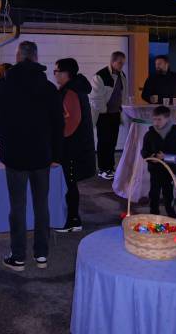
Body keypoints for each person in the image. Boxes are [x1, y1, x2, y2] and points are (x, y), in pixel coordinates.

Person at [0, 41, 64, 272]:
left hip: (14, 153)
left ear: (18, 57)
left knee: (17, 206)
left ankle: (18, 257)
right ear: (36, 58)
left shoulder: (2, 85)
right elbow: (58, 123)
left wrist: (2, 136)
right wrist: (56, 153)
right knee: (41, 205)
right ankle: (41, 255)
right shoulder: (48, 88)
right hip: (42, 154)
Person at [52, 58, 96, 233]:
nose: (54, 74)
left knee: (69, 183)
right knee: (70, 183)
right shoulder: (74, 89)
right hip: (76, 145)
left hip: (71, 148)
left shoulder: (70, 93)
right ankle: (71, 218)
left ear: (65, 73)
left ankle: (73, 220)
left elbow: (71, 123)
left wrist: (57, 139)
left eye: (56, 71)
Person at [140, 106, 176, 218]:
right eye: (154, 119)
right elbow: (144, 151)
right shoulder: (150, 134)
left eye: (159, 119)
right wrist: (150, 156)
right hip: (155, 169)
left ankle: (170, 213)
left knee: (168, 193)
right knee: (154, 192)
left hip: (169, 169)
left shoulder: (175, 134)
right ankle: (153, 213)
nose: (156, 122)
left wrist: (168, 158)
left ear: (167, 118)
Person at [90, 51, 127, 180]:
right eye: (120, 63)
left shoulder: (122, 75)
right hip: (103, 115)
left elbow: (123, 93)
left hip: (115, 114)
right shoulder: (100, 76)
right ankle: (102, 169)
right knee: (104, 142)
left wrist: (121, 107)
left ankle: (110, 167)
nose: (122, 65)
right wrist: (104, 110)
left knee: (112, 142)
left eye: (123, 63)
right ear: (113, 61)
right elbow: (95, 97)